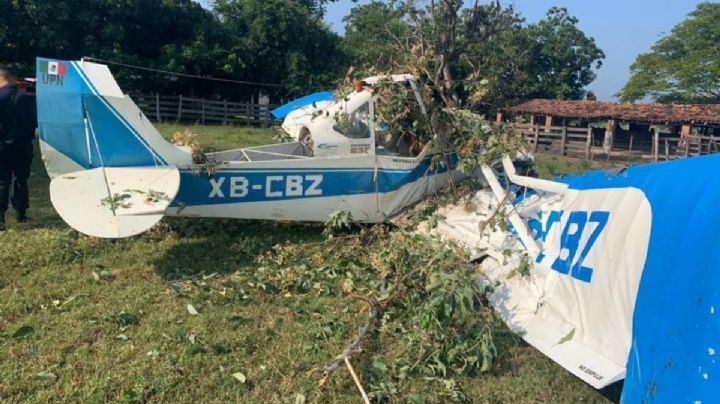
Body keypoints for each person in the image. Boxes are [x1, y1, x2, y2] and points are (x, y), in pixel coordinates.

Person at [0, 67, 37, 231]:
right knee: (21, 179)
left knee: (2, 181)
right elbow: (36, 122)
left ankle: (0, 218)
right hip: (23, 145)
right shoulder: (29, 99)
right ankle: (21, 213)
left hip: (2, 146)